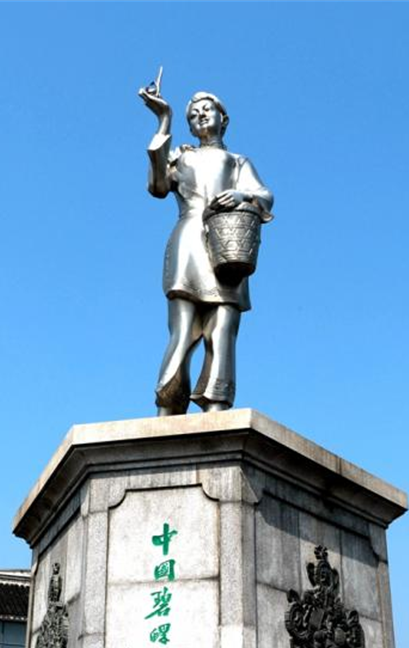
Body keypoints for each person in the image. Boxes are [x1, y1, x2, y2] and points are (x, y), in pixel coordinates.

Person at [139, 81, 274, 416]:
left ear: (222, 118)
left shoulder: (237, 161)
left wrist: (243, 195)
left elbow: (265, 196)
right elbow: (157, 186)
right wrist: (164, 121)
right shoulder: (182, 156)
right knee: (183, 330)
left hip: (228, 244)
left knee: (223, 327)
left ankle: (216, 403)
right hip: (188, 242)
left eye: (206, 110)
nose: (200, 116)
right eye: (193, 114)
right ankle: (168, 404)